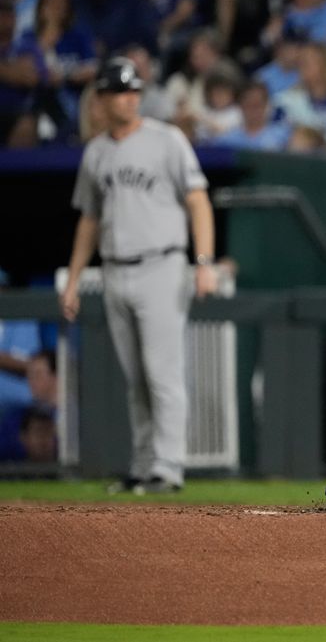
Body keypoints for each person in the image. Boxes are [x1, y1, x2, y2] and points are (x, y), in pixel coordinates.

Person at [61, 58, 217, 495]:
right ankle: (145, 465)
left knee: (162, 372)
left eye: (134, 91)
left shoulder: (166, 140)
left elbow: (198, 201)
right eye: (120, 91)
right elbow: (88, 221)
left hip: (162, 265)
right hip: (114, 269)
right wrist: (74, 280)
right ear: (102, 99)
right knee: (137, 378)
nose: (130, 98)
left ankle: (168, 468)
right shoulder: (96, 152)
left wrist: (203, 263)